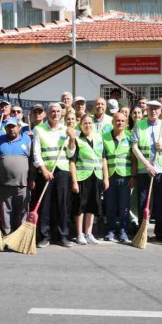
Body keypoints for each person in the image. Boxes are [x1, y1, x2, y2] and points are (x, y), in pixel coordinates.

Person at [33, 103, 77, 247]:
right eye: (53, 111)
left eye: (58, 111)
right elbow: (36, 153)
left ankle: (63, 235)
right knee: (45, 205)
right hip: (45, 172)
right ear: (47, 113)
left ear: (62, 114)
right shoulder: (39, 129)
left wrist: (71, 139)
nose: (55, 114)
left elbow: (71, 153)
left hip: (62, 171)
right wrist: (44, 170)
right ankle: (45, 236)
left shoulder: (67, 130)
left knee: (62, 204)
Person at [132, 100, 162, 242]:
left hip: (161, 169)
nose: (153, 111)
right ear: (147, 110)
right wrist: (146, 165)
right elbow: (135, 148)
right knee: (143, 200)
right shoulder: (139, 125)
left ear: (161, 110)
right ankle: (142, 229)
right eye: (151, 109)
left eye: (156, 109)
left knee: (160, 201)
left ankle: (160, 231)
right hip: (144, 170)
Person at [0, 117, 32, 235]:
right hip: (4, 184)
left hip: (22, 184)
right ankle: (7, 234)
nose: (11, 129)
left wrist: (32, 178)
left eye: (13, 126)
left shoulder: (27, 140)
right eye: (8, 127)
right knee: (5, 211)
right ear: (5, 128)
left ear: (19, 127)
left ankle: (19, 235)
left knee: (22, 211)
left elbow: (33, 161)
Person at [71, 114, 106, 245]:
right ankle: (79, 234)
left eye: (90, 123)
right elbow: (72, 162)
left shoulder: (98, 138)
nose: (88, 126)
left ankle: (88, 233)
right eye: (85, 123)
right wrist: (74, 181)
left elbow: (103, 159)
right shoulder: (77, 139)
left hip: (96, 176)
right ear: (80, 125)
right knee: (80, 206)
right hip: (82, 177)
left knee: (92, 205)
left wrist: (105, 177)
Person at [102, 112, 134, 243]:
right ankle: (111, 230)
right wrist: (105, 178)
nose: (119, 122)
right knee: (110, 205)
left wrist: (134, 176)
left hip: (125, 176)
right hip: (110, 176)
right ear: (112, 122)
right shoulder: (104, 137)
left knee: (124, 206)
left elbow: (134, 159)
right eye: (117, 120)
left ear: (126, 123)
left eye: (122, 120)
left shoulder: (130, 137)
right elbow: (103, 158)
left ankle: (123, 231)